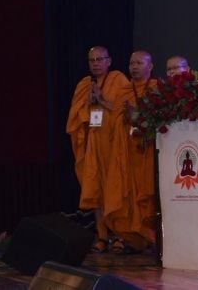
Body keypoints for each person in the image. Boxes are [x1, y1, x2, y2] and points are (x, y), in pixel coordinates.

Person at [66, 46, 130, 253]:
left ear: (109, 61)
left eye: (100, 59)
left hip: (114, 144)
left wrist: (101, 100)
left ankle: (121, 235)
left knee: (116, 190)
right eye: (92, 60)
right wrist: (88, 104)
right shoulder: (85, 84)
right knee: (95, 190)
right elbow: (75, 119)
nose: (96, 63)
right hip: (93, 144)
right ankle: (102, 236)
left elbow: (125, 111)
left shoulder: (119, 80)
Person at [103, 50, 158, 254]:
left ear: (150, 66)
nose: (134, 67)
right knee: (126, 196)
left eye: (139, 63)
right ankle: (136, 240)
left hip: (147, 152)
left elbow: (159, 121)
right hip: (126, 153)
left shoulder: (157, 89)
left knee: (147, 197)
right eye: (131, 63)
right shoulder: (123, 91)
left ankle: (153, 239)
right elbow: (113, 124)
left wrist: (138, 116)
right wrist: (126, 117)